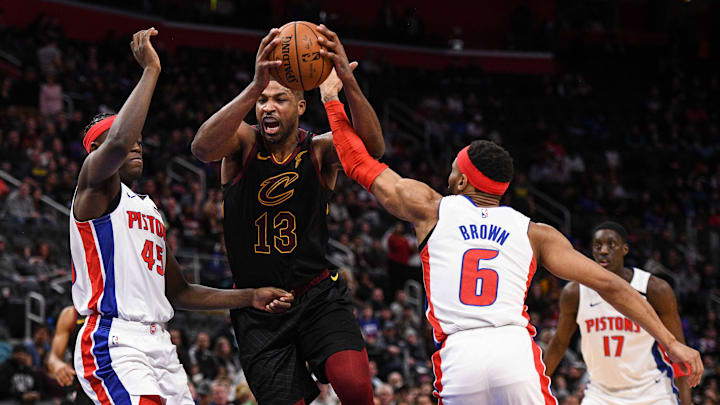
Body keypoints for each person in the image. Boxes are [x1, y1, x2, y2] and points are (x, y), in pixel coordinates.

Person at [321, 101, 704, 404]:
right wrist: (671, 343)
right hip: (512, 350)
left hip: (459, 353)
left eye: (453, 169)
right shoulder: (535, 231)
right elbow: (611, 285)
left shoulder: (432, 208)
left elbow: (357, 162)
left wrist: (331, 99)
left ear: (462, 180)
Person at [70, 28, 293, 405]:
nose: (136, 143)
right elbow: (120, 140)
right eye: (127, 138)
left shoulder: (147, 209)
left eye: (140, 137)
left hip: (160, 345)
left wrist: (249, 296)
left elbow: (180, 292)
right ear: (97, 153)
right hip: (114, 338)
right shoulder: (93, 191)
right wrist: (151, 70)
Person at [191, 25, 384, 405]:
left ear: (299, 106)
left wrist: (347, 83)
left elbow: (373, 150)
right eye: (262, 100)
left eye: (279, 99)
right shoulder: (243, 143)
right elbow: (201, 148)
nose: (267, 108)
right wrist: (253, 85)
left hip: (317, 296)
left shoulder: (319, 150)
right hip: (258, 307)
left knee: (357, 388)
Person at [543, 222, 691, 404]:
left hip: (653, 392)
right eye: (598, 245)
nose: (604, 251)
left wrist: (686, 402)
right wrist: (538, 385)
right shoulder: (575, 292)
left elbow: (680, 352)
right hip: (600, 394)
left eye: (611, 244)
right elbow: (559, 343)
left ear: (625, 249)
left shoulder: (655, 289)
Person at [47, 306, 93, 405]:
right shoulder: (70, 314)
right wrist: (57, 365)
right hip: (85, 390)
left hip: (120, 386)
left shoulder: (124, 310)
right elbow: (53, 357)